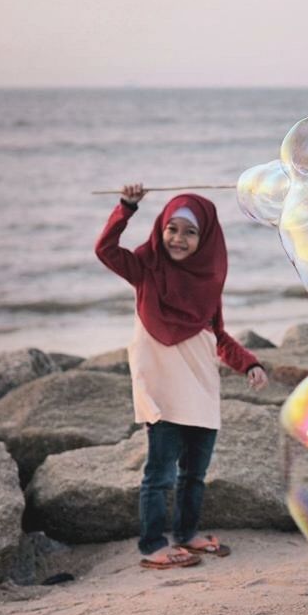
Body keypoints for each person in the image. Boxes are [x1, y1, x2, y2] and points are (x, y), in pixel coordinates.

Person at [95, 183, 268, 570]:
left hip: (201, 388)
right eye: (172, 228)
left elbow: (217, 335)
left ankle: (186, 536)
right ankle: (152, 545)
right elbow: (104, 250)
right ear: (161, 229)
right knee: (159, 476)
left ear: (205, 237)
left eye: (190, 232)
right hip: (161, 390)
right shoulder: (145, 270)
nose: (178, 238)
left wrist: (250, 363)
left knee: (195, 475)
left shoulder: (208, 283)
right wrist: (127, 207)